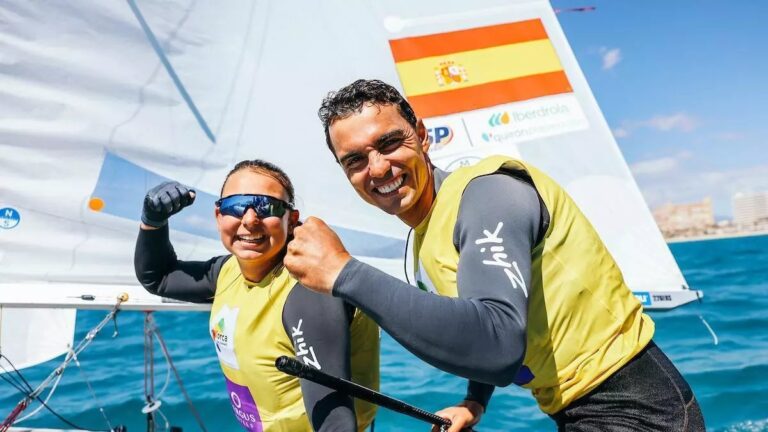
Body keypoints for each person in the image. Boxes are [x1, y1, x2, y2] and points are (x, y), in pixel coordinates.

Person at [283, 79, 705, 431]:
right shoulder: (429, 233)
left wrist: (346, 275)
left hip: (640, 409)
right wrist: (474, 402)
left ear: (423, 135)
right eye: (354, 160)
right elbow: (483, 314)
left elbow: (498, 343)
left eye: (390, 142)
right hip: (580, 411)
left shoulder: (489, 194)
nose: (376, 169)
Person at [134, 159, 379, 432]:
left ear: (291, 220)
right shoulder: (228, 272)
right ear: (219, 216)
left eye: (268, 207)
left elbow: (335, 424)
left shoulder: (308, 293)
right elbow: (159, 278)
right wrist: (153, 222)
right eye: (236, 206)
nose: (250, 220)